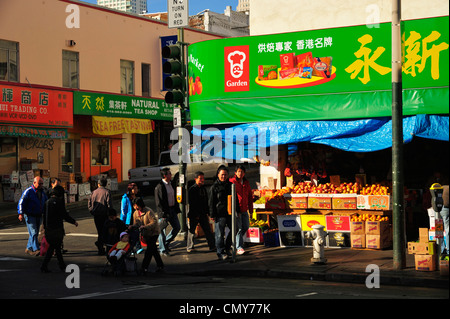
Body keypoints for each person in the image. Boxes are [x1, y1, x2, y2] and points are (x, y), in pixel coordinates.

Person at [40, 185, 78, 273]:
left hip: (49, 229)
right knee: (54, 247)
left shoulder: (47, 202)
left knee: (56, 247)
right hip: (57, 229)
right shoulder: (59, 203)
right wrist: (74, 222)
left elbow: (44, 217)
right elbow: (64, 215)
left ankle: (61, 265)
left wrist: (45, 228)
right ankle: (46, 265)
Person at [209, 165, 239, 260]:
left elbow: (235, 199)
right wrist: (212, 214)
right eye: (222, 175)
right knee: (219, 234)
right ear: (218, 175)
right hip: (219, 214)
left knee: (235, 229)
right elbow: (211, 202)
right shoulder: (214, 187)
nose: (223, 176)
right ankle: (220, 252)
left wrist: (237, 210)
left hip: (230, 213)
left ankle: (227, 247)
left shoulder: (231, 185)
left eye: (225, 175)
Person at [132, 197, 164, 274]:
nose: (135, 207)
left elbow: (154, 222)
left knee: (149, 251)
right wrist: (132, 227)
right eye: (134, 206)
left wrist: (145, 226)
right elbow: (136, 223)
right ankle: (160, 265)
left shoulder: (148, 211)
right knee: (154, 250)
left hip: (153, 233)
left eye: (137, 205)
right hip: (145, 234)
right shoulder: (135, 213)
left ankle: (144, 267)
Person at [18, 176, 48, 256]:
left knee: (33, 233)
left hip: (38, 215)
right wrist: (20, 213)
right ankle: (36, 249)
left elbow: (46, 201)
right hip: (30, 215)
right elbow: (21, 202)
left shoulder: (42, 192)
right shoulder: (28, 191)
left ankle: (29, 248)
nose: (41, 185)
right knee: (34, 232)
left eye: (42, 183)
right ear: (34, 183)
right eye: (39, 183)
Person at [155, 167, 181, 256]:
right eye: (169, 173)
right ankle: (163, 250)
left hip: (172, 209)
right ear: (165, 175)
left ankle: (165, 243)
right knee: (162, 231)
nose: (171, 175)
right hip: (164, 212)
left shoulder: (171, 184)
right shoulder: (159, 187)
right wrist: (162, 214)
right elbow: (159, 202)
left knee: (177, 227)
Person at [187, 171, 215, 253]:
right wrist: (195, 214)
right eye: (200, 178)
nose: (202, 180)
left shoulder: (203, 188)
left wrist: (208, 213)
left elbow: (206, 202)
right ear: (196, 179)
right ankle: (190, 247)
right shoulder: (192, 189)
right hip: (195, 214)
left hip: (203, 214)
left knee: (207, 230)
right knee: (192, 230)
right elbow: (192, 203)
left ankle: (212, 246)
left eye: (203, 178)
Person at [229, 165, 253, 255]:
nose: (240, 173)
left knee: (246, 226)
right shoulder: (232, 182)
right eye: (238, 171)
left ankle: (233, 242)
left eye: (242, 171)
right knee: (239, 228)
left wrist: (251, 210)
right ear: (235, 173)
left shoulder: (246, 183)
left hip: (244, 209)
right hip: (236, 209)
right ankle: (239, 247)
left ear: (244, 173)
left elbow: (250, 196)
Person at [88, 178, 113, 255]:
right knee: (105, 231)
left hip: (96, 215)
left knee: (100, 231)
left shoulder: (94, 192)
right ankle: (101, 245)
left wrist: (92, 211)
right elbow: (109, 205)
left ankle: (100, 246)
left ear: (98, 184)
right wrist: (110, 214)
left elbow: (89, 204)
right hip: (105, 215)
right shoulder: (107, 192)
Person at [440, 185, 449, 255]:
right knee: (447, 230)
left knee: (439, 230)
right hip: (446, 209)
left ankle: (441, 249)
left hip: (437, 209)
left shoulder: (441, 188)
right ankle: (448, 250)